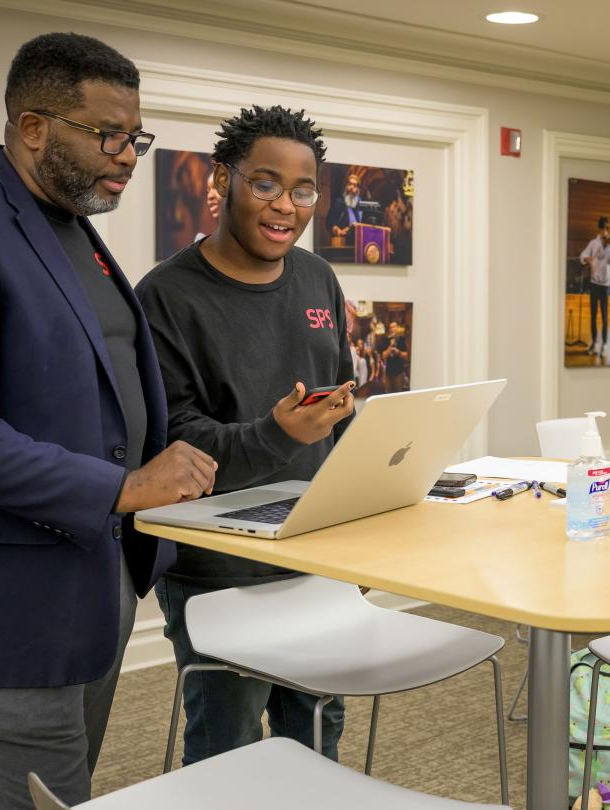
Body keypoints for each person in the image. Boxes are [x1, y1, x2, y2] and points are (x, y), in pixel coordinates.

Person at [0, 33, 219, 809]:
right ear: (34, 126)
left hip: (90, 586)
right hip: (6, 606)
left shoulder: (70, 225)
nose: (129, 154)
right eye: (110, 135)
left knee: (70, 793)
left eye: (137, 137)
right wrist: (124, 485)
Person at [136, 106, 357, 766]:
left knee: (317, 736)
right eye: (264, 184)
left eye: (302, 190)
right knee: (229, 751)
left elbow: (338, 408)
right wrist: (276, 434)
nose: (284, 205)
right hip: (218, 569)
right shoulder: (165, 296)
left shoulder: (319, 277)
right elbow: (177, 446)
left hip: (318, 555)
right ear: (222, 181)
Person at [579, 215, 610, 356]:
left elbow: (609, 262)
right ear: (600, 229)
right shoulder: (593, 243)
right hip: (594, 283)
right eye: (603, 229)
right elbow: (582, 255)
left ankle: (605, 344)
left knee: (604, 317)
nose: (605, 232)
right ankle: (594, 343)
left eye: (607, 229)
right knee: (593, 315)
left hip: (604, 286)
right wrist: (586, 258)